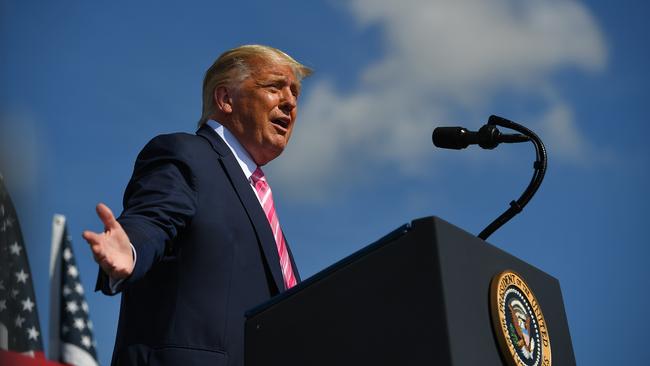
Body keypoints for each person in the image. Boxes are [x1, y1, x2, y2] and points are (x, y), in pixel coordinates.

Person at [82, 45, 312, 366]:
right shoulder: (186, 155)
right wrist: (131, 249)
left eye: (295, 93)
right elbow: (154, 220)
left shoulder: (259, 197)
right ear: (225, 99)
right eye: (274, 87)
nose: (290, 102)